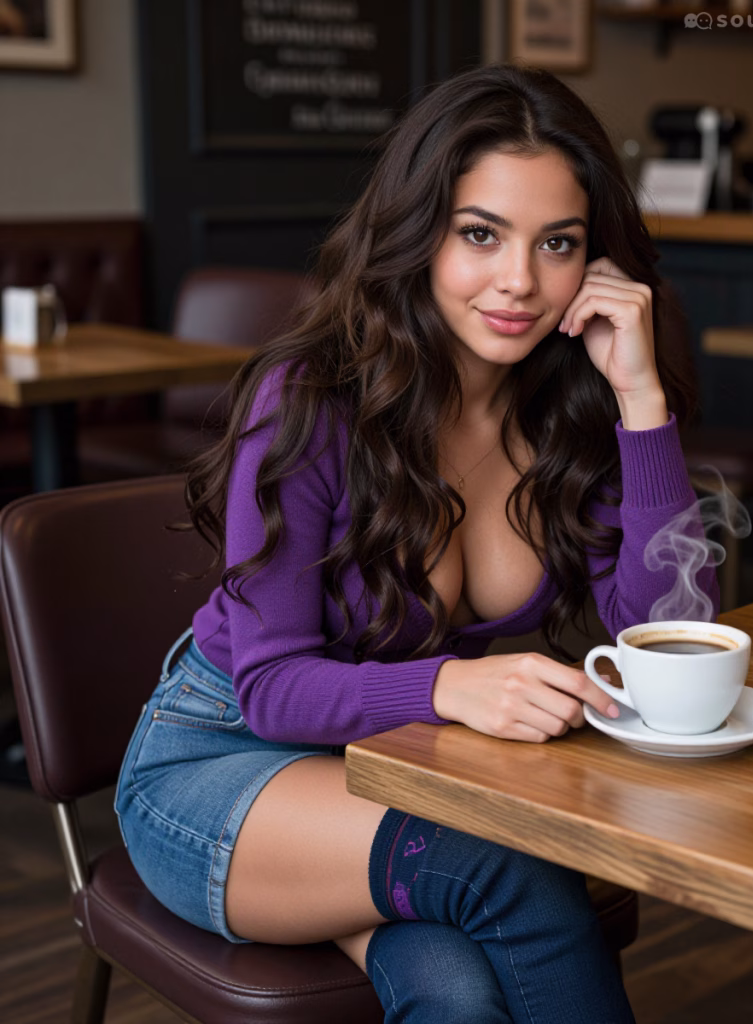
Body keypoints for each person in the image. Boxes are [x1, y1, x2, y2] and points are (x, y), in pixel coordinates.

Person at [115, 62, 719, 1023]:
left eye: (556, 243)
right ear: (419, 233)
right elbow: (270, 686)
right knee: (513, 870)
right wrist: (450, 685)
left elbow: (670, 636)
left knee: (457, 994)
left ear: (594, 261)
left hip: (392, 771)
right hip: (223, 762)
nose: (519, 281)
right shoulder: (313, 400)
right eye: (481, 234)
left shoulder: (575, 404)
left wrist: (642, 403)